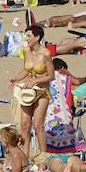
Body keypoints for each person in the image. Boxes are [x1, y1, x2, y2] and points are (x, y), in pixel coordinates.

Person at [11, 24, 53, 153]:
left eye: (29, 36)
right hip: (28, 92)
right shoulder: (26, 51)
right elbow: (26, 69)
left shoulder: (45, 54)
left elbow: (51, 76)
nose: (26, 38)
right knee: (24, 125)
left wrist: (36, 80)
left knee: (38, 126)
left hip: (41, 91)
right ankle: (25, 156)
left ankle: (43, 157)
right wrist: (16, 79)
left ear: (37, 37)